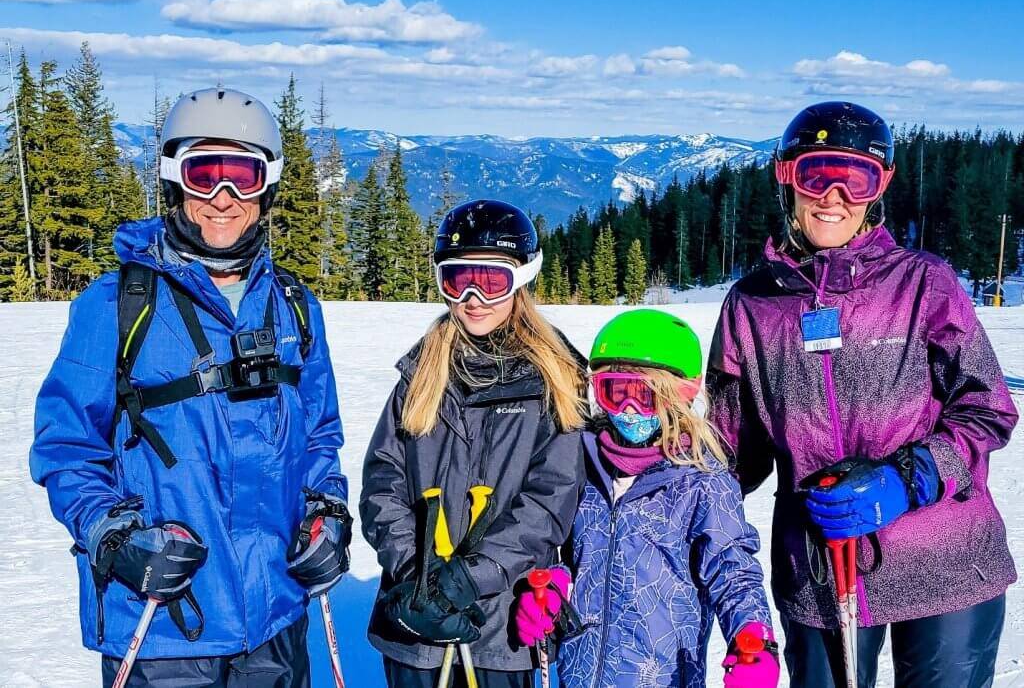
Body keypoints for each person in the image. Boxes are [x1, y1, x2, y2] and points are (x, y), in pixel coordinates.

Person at [29, 87, 350, 687]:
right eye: (205, 175)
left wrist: (327, 514)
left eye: (242, 176)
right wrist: (114, 536)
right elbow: (66, 447)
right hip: (165, 621)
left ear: (268, 186)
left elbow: (319, 437)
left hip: (276, 617)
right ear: (175, 180)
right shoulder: (118, 305)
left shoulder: (294, 308)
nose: (222, 199)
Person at [707, 101, 1018, 688]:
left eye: (856, 178)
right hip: (821, 571)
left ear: (880, 186)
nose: (834, 196)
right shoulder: (751, 306)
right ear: (785, 176)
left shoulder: (925, 283)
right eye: (816, 174)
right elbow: (729, 453)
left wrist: (909, 478)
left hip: (945, 563)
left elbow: (986, 408)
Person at [360, 199, 588, 687]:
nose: (472, 297)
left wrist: (471, 578)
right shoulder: (421, 373)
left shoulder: (556, 379)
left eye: (491, 280)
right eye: (456, 279)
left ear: (522, 279)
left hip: (504, 628)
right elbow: (383, 479)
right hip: (415, 625)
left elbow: (550, 502)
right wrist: (417, 573)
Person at [514, 309, 779, 688]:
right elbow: (567, 553)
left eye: (645, 395)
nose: (628, 410)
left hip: (663, 675)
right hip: (578, 673)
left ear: (680, 394)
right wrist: (554, 584)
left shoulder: (703, 480)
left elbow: (731, 568)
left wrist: (755, 639)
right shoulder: (580, 464)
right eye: (614, 391)